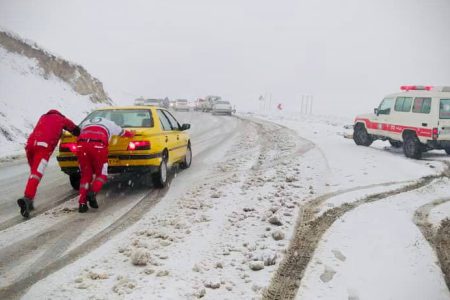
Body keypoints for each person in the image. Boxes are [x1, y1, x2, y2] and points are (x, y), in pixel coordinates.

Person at [18, 109, 80, 218]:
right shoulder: (61, 119)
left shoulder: (43, 117)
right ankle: (27, 199)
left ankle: (30, 200)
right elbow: (76, 130)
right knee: (36, 174)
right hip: (43, 147)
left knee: (34, 173)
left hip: (30, 146)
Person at [76, 116, 134, 213]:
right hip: (98, 146)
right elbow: (124, 133)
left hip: (81, 146)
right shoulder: (111, 124)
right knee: (101, 174)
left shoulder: (87, 122)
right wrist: (131, 134)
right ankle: (92, 193)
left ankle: (82, 204)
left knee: (86, 176)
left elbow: (77, 131)